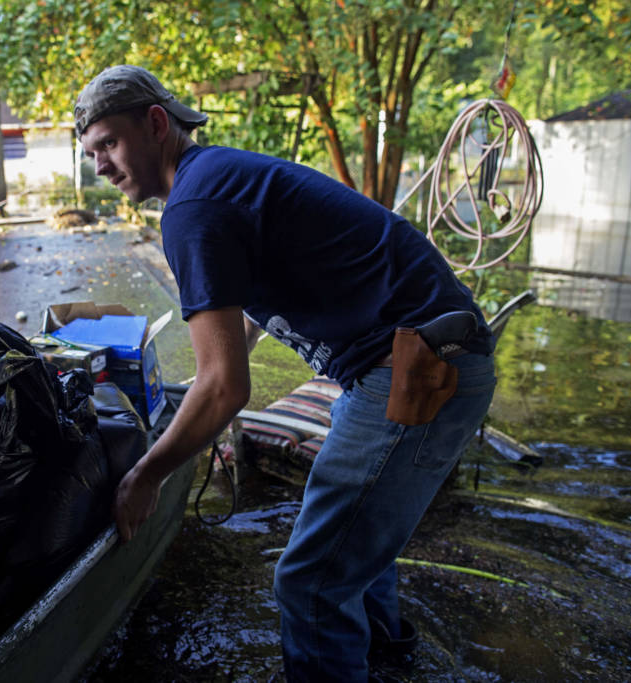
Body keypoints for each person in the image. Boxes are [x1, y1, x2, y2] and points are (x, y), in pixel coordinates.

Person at [75, 65, 497, 682]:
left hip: (419, 369)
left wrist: (147, 475)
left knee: (310, 580)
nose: (100, 166)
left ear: (157, 124)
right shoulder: (214, 176)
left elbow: (228, 388)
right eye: (91, 153)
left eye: (108, 144)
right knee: (354, 541)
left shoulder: (192, 209)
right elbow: (241, 324)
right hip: (429, 357)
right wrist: (205, 395)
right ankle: (388, 661)